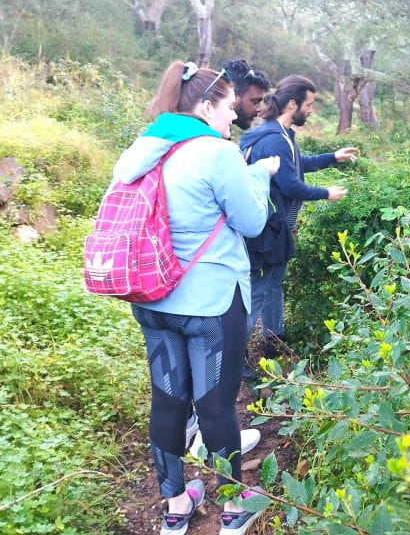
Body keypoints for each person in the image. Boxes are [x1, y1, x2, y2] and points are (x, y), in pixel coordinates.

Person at [114, 60, 279, 535]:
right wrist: (260, 176)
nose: (233, 117)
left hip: (150, 296)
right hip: (209, 302)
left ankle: (175, 504)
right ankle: (233, 505)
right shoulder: (215, 152)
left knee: (167, 403)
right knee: (214, 406)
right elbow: (250, 222)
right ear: (206, 105)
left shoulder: (143, 149)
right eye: (229, 106)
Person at [239, 75, 357, 363]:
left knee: (273, 285)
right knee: (259, 290)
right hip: (267, 231)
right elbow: (291, 185)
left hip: (274, 227)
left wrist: (333, 157)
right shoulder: (275, 139)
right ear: (292, 104)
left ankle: (273, 339)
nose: (311, 110)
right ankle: (236, 355)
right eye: (309, 104)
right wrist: (326, 193)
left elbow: (295, 165)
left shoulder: (276, 133)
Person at [222, 58, 272, 130]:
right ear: (233, 94)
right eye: (255, 102)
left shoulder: (222, 130)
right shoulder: (206, 136)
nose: (259, 110)